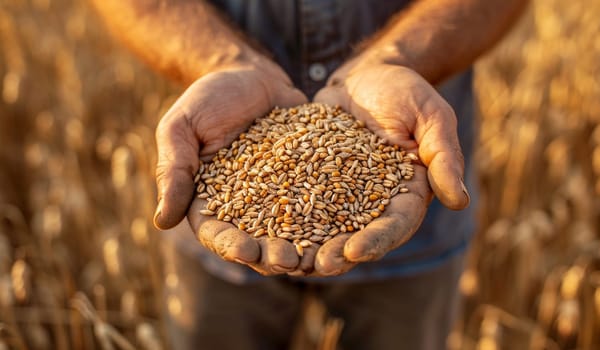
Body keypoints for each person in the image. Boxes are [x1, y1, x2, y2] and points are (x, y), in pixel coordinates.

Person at [92, 0, 526, 348]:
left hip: (416, 192)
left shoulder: (381, 169)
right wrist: (220, 59)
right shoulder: (234, 182)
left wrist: (400, 58)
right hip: (215, 187)